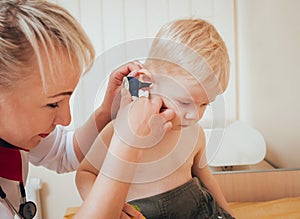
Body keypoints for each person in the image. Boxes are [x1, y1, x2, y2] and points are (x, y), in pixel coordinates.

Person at [0, 0, 174, 218]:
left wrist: (106, 113)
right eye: (53, 103)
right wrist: (128, 144)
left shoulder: (16, 135)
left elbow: (64, 152)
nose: (66, 118)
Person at [76, 18, 236, 218]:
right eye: (185, 103)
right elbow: (85, 174)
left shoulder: (195, 134)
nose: (195, 115)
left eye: (205, 104)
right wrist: (115, 212)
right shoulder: (119, 131)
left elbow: (208, 181)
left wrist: (229, 213)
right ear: (147, 81)